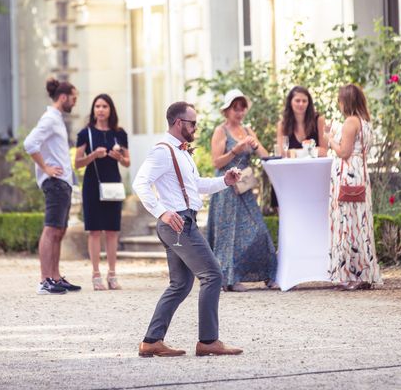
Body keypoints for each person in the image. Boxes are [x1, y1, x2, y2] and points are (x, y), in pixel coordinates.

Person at [132, 101, 244, 358]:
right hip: (178, 224)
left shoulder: (182, 152)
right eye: (193, 123)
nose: (196, 127)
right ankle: (208, 341)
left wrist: (224, 181)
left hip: (184, 220)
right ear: (178, 123)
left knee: (181, 284)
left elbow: (195, 185)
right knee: (213, 274)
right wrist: (162, 211)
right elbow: (140, 183)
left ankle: (151, 341)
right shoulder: (162, 151)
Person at [205, 89, 278, 292]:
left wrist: (254, 145)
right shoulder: (221, 131)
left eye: (242, 108)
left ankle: (269, 274)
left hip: (244, 187)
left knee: (259, 230)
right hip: (226, 188)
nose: (239, 112)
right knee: (228, 234)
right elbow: (216, 161)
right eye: (235, 108)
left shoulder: (247, 130)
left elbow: (265, 155)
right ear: (227, 111)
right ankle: (229, 278)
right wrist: (235, 150)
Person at [24, 78, 82, 295]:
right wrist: (46, 168)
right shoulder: (49, 118)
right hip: (55, 183)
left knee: (59, 231)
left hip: (63, 182)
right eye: (74, 98)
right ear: (64, 97)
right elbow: (30, 143)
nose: (75, 102)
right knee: (51, 230)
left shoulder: (56, 119)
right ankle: (44, 280)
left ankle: (55, 277)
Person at [324, 84, 382, 290]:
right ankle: (363, 272)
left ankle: (351, 274)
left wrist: (330, 139)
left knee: (347, 222)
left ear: (345, 101)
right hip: (360, 172)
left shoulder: (350, 122)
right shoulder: (365, 122)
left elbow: (343, 152)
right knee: (361, 222)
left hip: (348, 173)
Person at [75, 94, 130, 290]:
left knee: (113, 230)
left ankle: (112, 274)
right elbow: (77, 163)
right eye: (97, 106)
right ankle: (96, 274)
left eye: (104, 106)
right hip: (92, 185)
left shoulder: (119, 134)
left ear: (110, 110)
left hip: (113, 183)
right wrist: (93, 155)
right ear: (93, 110)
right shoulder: (85, 133)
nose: (100, 109)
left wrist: (118, 157)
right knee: (95, 230)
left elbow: (127, 161)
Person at [277, 86, 328, 157]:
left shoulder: (319, 120)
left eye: (304, 101)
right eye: (297, 101)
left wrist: (294, 152)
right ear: (290, 102)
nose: (301, 104)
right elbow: (281, 153)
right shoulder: (283, 124)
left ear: (308, 103)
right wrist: (311, 151)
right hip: (292, 167)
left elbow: (324, 151)